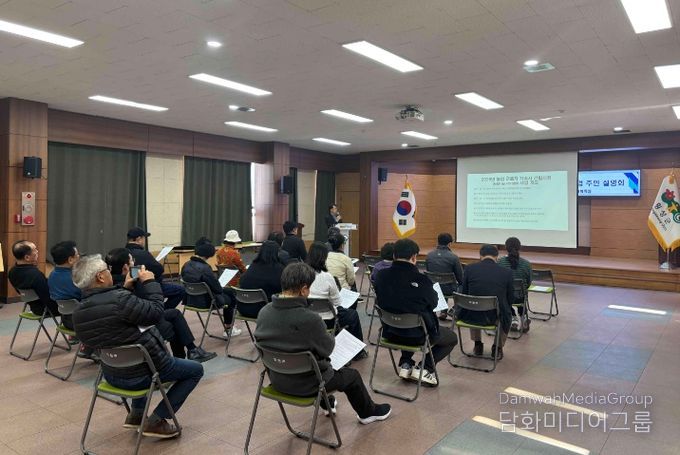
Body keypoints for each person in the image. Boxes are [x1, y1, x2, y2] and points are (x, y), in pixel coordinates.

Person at [72, 254, 204, 438]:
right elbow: (156, 313)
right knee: (196, 370)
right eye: (107, 270)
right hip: (145, 373)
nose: (110, 272)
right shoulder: (121, 300)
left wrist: (125, 288)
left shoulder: (78, 311)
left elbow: (105, 323)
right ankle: (157, 420)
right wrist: (150, 283)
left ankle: (137, 414)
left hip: (112, 374)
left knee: (133, 355)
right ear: (100, 277)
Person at [254, 262, 391, 424]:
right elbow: (327, 349)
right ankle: (368, 413)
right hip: (309, 385)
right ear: (304, 289)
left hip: (278, 381)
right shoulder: (309, 318)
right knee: (351, 376)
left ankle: (327, 403)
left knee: (310, 365)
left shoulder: (264, 312)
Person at [106, 248, 216, 362]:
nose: (135, 263)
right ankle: (184, 356)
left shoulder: (109, 284)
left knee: (175, 314)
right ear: (125, 267)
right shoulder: (132, 284)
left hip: (128, 327)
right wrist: (149, 282)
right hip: (140, 328)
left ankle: (190, 352)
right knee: (174, 325)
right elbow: (151, 307)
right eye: (132, 261)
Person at [373, 239, 458, 387]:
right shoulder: (422, 280)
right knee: (451, 338)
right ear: (414, 257)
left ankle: (406, 364)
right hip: (418, 336)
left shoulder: (380, 276)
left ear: (394, 255)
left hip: (390, 332)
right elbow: (434, 303)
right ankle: (425, 368)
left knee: (405, 314)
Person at [307, 242, 368, 360]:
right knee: (353, 315)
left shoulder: (302, 274)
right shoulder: (327, 277)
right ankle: (358, 352)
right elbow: (337, 302)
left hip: (308, 316)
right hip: (328, 319)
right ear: (324, 257)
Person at [458, 244, 513, 360]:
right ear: (497, 257)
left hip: (471, 315)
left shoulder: (469, 269)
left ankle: (477, 344)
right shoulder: (507, 272)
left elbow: (464, 292)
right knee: (506, 312)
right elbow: (510, 297)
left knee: (472, 303)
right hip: (494, 316)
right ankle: (497, 348)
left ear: (480, 256)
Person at [181, 239, 241, 337]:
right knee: (231, 295)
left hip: (190, 300)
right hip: (205, 302)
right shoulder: (205, 268)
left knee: (228, 291)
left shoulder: (186, 265)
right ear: (209, 254)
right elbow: (218, 289)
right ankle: (229, 328)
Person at [125, 227, 185, 310]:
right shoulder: (143, 254)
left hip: (129, 289)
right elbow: (159, 270)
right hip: (147, 288)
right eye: (144, 238)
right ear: (139, 239)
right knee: (181, 290)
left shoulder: (123, 252)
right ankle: (162, 311)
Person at [8, 240, 63, 323]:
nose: (37, 251)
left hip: (34, 307)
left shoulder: (11, 272)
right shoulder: (35, 275)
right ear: (27, 257)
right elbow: (48, 298)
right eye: (34, 250)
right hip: (46, 309)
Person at [238, 241, 285, 318]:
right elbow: (283, 289)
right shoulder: (279, 269)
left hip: (242, 308)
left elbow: (242, 281)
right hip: (263, 311)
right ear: (277, 253)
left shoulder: (252, 265)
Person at [425, 233, 464, 321]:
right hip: (449, 290)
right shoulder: (454, 257)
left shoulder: (429, 256)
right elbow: (461, 279)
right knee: (461, 285)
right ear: (449, 244)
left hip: (433, 288)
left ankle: (440, 311)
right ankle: (452, 310)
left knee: (440, 282)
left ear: (438, 242)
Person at [498, 237, 532, 333]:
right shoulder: (526, 264)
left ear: (506, 248)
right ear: (519, 247)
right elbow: (528, 283)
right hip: (521, 296)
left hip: (505, 298)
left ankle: (513, 318)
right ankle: (523, 317)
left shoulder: (500, 262)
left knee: (505, 293)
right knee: (520, 293)